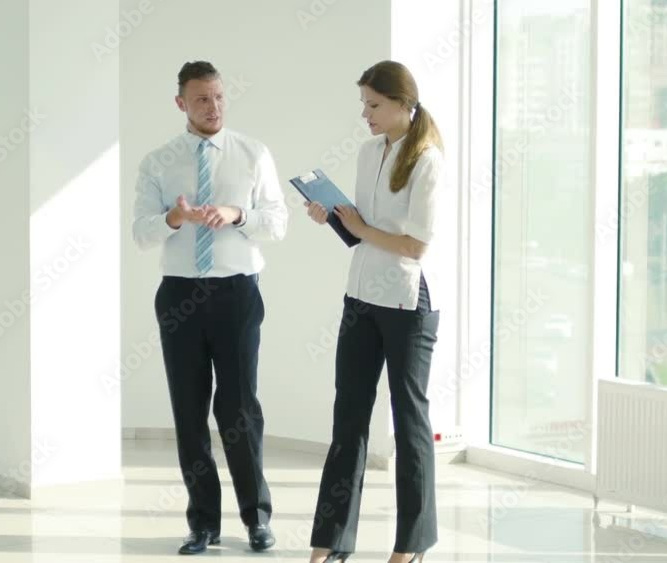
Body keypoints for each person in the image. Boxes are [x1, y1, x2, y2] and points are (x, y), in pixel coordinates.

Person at [132, 60, 289, 556]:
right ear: (181, 103)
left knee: (240, 409)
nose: (213, 107)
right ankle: (203, 523)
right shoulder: (157, 162)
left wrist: (237, 214)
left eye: (219, 96)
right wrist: (174, 218)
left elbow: (277, 222)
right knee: (189, 409)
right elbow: (141, 233)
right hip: (179, 295)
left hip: (236, 293)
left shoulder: (252, 153)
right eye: (201, 98)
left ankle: (257, 519)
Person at [305, 60, 444, 563]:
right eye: (364, 104)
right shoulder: (368, 152)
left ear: (403, 104)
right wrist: (333, 219)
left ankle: (411, 546)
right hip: (360, 297)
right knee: (348, 421)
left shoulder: (426, 160)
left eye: (374, 105)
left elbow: (415, 246)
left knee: (409, 423)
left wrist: (362, 230)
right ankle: (330, 542)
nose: (365, 114)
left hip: (407, 304)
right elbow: (362, 232)